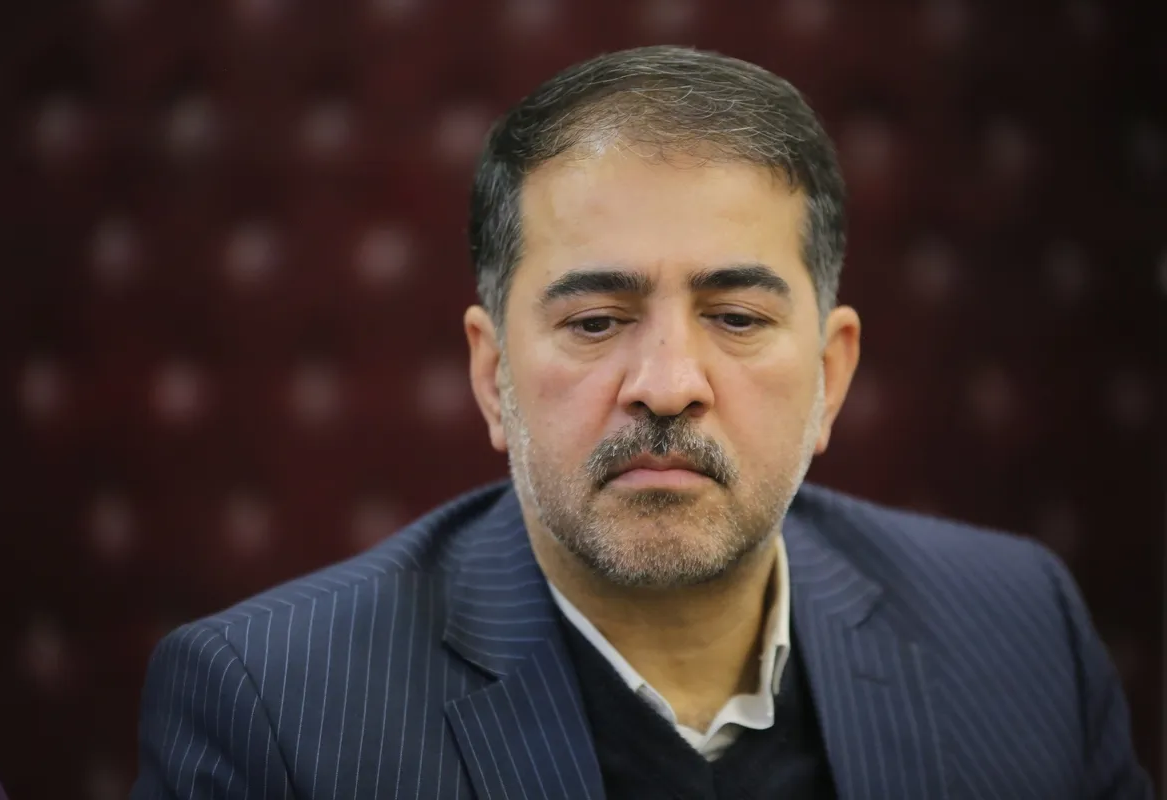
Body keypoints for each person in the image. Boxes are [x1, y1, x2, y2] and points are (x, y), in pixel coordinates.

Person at [131, 45, 1154, 799]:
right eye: (596, 321)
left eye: (737, 318)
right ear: (491, 376)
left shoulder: (1019, 630)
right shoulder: (272, 709)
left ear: (832, 375)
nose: (667, 384)